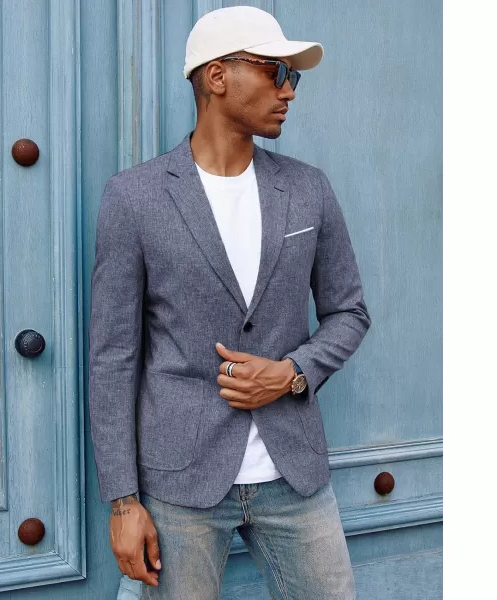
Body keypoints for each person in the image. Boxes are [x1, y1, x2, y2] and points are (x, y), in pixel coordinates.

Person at [89, 6, 371, 599]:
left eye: (293, 76)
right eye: (276, 71)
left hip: (294, 476)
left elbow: (349, 312)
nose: (289, 90)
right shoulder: (134, 197)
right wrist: (123, 501)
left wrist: (293, 372)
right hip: (179, 486)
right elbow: (113, 357)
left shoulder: (308, 188)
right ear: (218, 76)